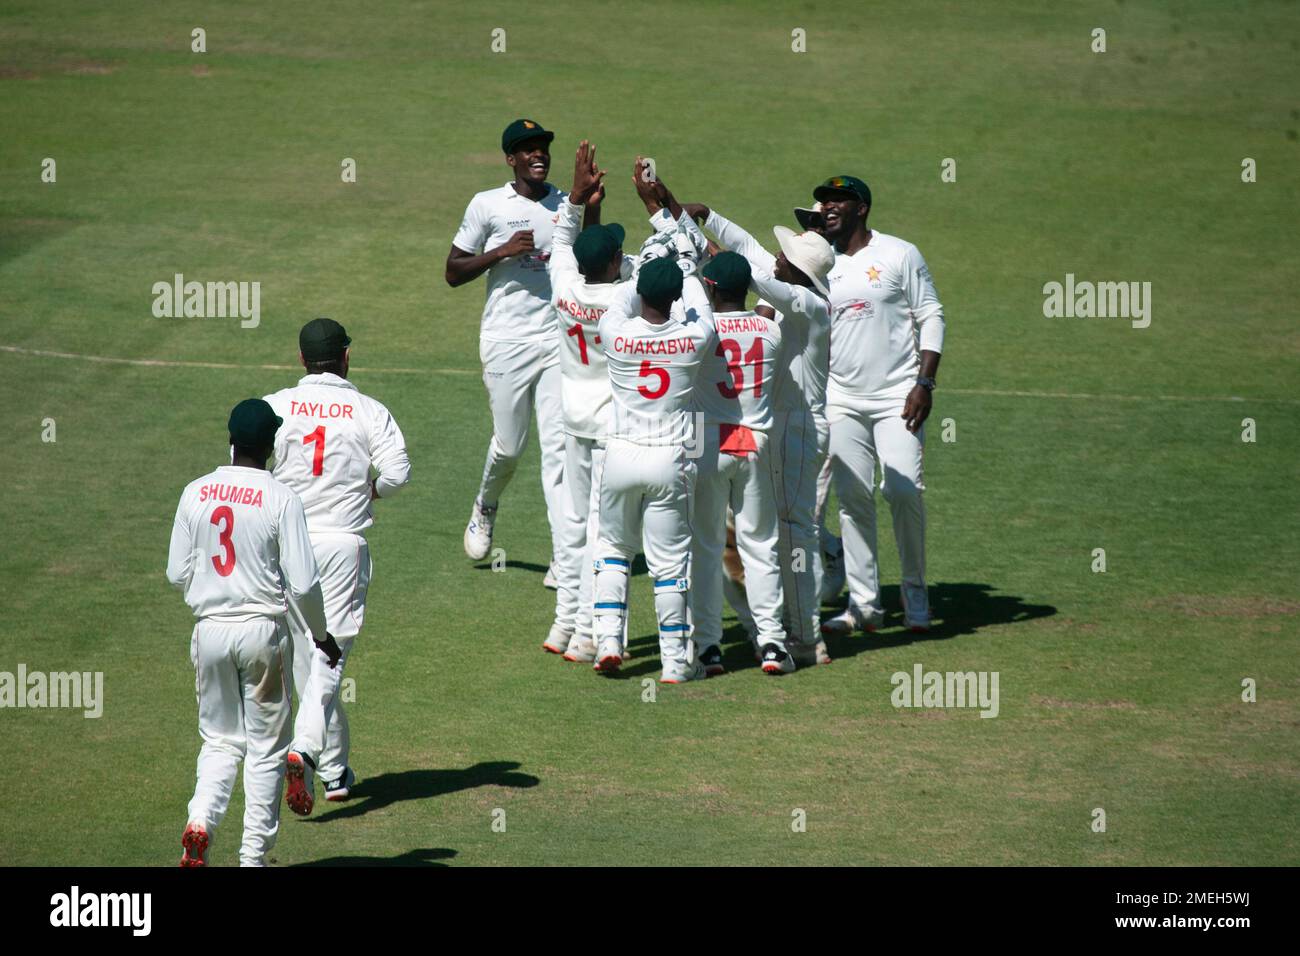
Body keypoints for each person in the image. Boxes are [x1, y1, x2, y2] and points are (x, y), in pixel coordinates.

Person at [167, 399, 340, 867]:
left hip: (208, 633)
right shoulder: (281, 497)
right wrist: (321, 637)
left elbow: (175, 573)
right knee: (266, 750)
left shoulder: (194, 492)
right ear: (271, 446)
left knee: (220, 741)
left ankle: (201, 821)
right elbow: (303, 584)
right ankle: (252, 859)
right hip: (262, 633)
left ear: (230, 441)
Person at [263, 318, 411, 814]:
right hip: (343, 547)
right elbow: (398, 472)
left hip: (288, 549)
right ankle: (304, 750)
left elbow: (246, 464)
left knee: (308, 663)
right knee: (328, 659)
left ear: (302, 359)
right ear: (346, 356)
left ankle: (335, 771)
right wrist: (372, 491)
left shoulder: (275, 406)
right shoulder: (369, 409)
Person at [686, 202, 837, 668]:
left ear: (797, 271)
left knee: (793, 533)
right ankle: (777, 635)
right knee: (767, 535)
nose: (776, 256)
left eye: (784, 256)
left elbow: (750, 272)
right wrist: (705, 216)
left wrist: (684, 236)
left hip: (798, 430)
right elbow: (749, 254)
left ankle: (805, 638)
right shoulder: (772, 318)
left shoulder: (810, 303)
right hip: (767, 431)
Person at [446, 119, 595, 586]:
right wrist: (502, 253)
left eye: (543, 149)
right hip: (505, 341)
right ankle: (486, 504)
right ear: (510, 159)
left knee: (559, 450)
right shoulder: (487, 204)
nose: (539, 156)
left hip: (556, 341)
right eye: (527, 150)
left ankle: (563, 559)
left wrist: (589, 208)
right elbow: (453, 271)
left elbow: (590, 258)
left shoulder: (562, 202)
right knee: (510, 447)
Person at [590, 171, 715, 682]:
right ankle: (672, 663)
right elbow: (699, 301)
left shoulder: (616, 334)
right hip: (670, 457)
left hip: (620, 454)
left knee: (613, 552)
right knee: (669, 563)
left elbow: (622, 293)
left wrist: (650, 259)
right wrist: (682, 263)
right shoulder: (695, 339)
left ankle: (607, 644)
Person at [813, 175, 946, 635]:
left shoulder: (898, 253)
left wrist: (924, 382)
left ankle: (915, 594)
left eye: (839, 200)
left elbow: (931, 314)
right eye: (824, 201)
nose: (828, 206)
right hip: (842, 398)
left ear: (862, 208)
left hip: (897, 397)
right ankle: (865, 605)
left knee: (904, 492)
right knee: (852, 501)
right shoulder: (817, 260)